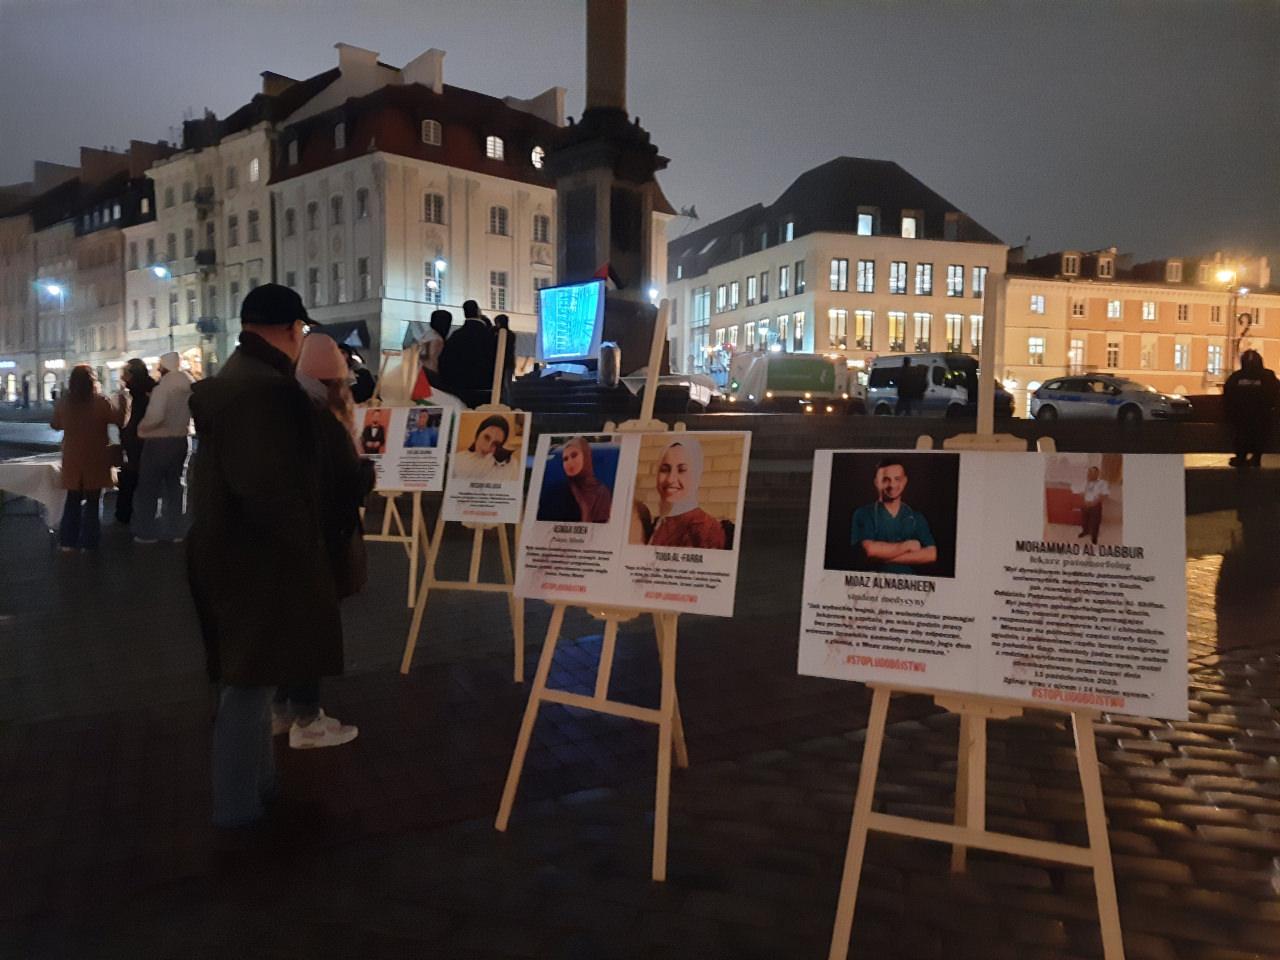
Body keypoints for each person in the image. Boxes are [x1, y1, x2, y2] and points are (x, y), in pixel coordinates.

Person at [187, 283, 346, 828]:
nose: (301, 339)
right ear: (288, 330)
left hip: (225, 548)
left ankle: (260, 788)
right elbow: (269, 485)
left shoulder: (237, 379)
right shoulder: (266, 391)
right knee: (248, 687)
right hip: (257, 557)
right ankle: (238, 810)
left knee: (252, 679)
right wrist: (304, 542)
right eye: (300, 330)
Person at [271, 332, 370, 749]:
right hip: (318, 539)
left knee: (288, 623)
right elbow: (344, 483)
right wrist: (367, 473)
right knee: (310, 628)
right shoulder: (323, 421)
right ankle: (307, 720)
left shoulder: (284, 409)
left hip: (284, 537)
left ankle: (280, 710)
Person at [50, 364, 123, 552]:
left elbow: (55, 424)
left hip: (73, 457)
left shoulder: (65, 402)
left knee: (72, 500)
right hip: (96, 457)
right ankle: (90, 542)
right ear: (93, 381)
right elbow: (118, 419)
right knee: (93, 501)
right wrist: (123, 400)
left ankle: (67, 541)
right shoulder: (101, 401)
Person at [133, 351, 192, 544]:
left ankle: (147, 532)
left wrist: (142, 429)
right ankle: (177, 529)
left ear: (164, 367)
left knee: (149, 488)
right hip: (181, 439)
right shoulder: (189, 385)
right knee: (176, 486)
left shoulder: (163, 389)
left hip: (158, 441)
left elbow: (156, 417)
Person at [633, 438, 727, 549]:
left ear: (696, 476)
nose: (670, 479)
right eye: (664, 469)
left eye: (682, 470)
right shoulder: (660, 521)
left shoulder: (705, 530)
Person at [851, 458, 937, 573]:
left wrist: (884, 557)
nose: (892, 485)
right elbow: (870, 550)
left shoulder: (916, 517)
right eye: (886, 480)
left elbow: (931, 554)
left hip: (909, 586)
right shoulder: (863, 514)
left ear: (905, 481)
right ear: (877, 482)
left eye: (897, 479)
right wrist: (907, 546)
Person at [114, 358, 155, 525]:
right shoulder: (149, 387)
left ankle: (126, 513)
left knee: (131, 476)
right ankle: (136, 512)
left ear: (132, 374)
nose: (123, 376)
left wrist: (126, 432)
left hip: (137, 440)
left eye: (125, 373)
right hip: (143, 438)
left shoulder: (136, 392)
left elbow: (136, 417)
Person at [1223, 349, 1279, 469]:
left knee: (1241, 435)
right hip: (1262, 418)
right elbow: (1276, 394)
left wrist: (1229, 414)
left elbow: (1227, 396)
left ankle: (1242, 457)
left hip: (1241, 419)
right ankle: (1255, 457)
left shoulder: (1236, 377)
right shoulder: (1268, 377)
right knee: (1258, 434)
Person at [538, 436, 612, 523]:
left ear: (586, 456)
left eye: (574, 455)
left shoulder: (602, 492)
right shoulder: (555, 491)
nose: (569, 462)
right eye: (565, 459)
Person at [438, 299, 497, 406]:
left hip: (460, 388)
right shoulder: (488, 335)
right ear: (478, 312)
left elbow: (445, 361)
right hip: (484, 387)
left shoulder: (456, 335)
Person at [453, 415, 520, 480]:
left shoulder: (512, 466)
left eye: (496, 444)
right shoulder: (457, 459)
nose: (487, 447)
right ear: (478, 434)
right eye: (486, 437)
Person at [1078, 464, 1109, 545]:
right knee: (1084, 520)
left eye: (1092, 473)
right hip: (1085, 504)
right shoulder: (1084, 482)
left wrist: (1093, 503)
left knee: (1095, 522)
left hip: (1095, 505)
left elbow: (1105, 495)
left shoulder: (1103, 483)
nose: (1090, 474)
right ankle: (1085, 531)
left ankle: (1094, 536)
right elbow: (1080, 493)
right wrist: (1084, 500)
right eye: (1089, 472)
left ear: (1097, 474)